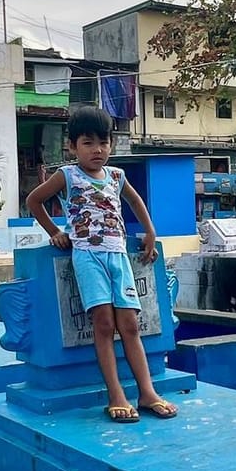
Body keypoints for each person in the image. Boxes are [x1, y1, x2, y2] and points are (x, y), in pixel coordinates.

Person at [26, 105, 178, 423]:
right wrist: (55, 232)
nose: (97, 150)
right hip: (88, 257)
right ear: (72, 146)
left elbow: (135, 201)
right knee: (104, 325)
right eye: (88, 142)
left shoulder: (116, 176)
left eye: (104, 142)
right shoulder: (66, 175)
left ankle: (147, 392)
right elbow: (34, 201)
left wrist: (149, 232)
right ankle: (116, 395)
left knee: (131, 325)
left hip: (119, 256)